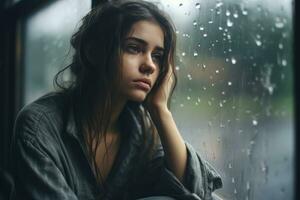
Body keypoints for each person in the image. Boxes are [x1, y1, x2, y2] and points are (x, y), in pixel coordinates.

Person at [9, 0, 222, 199]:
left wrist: (160, 111)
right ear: (94, 51)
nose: (150, 65)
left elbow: (197, 193)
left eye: (157, 56)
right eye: (134, 48)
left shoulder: (141, 133)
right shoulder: (39, 126)